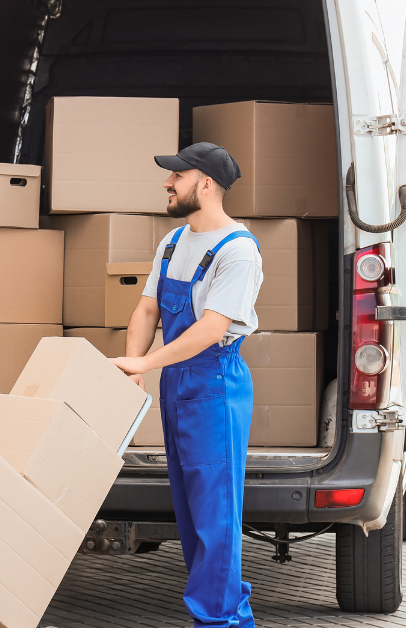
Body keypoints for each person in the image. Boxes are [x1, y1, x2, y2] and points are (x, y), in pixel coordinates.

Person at [112, 142, 264, 628]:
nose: (167, 183)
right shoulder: (174, 240)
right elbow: (147, 308)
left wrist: (149, 363)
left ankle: (217, 621)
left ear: (206, 184)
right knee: (190, 511)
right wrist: (135, 366)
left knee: (215, 513)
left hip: (216, 381)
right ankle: (228, 615)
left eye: (178, 175)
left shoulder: (238, 251)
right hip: (177, 382)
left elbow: (210, 329)